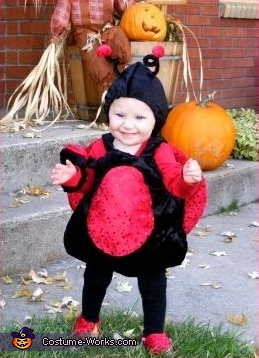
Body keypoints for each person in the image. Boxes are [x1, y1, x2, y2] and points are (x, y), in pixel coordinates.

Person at [51, 46, 207, 356]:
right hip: (103, 232)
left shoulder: (160, 152)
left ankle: (153, 333)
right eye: (119, 114)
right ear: (109, 112)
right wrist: (71, 179)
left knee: (152, 283)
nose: (128, 124)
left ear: (156, 117)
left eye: (139, 116)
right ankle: (89, 319)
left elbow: (175, 188)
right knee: (95, 276)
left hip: (150, 237)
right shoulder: (100, 147)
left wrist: (188, 180)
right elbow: (88, 180)